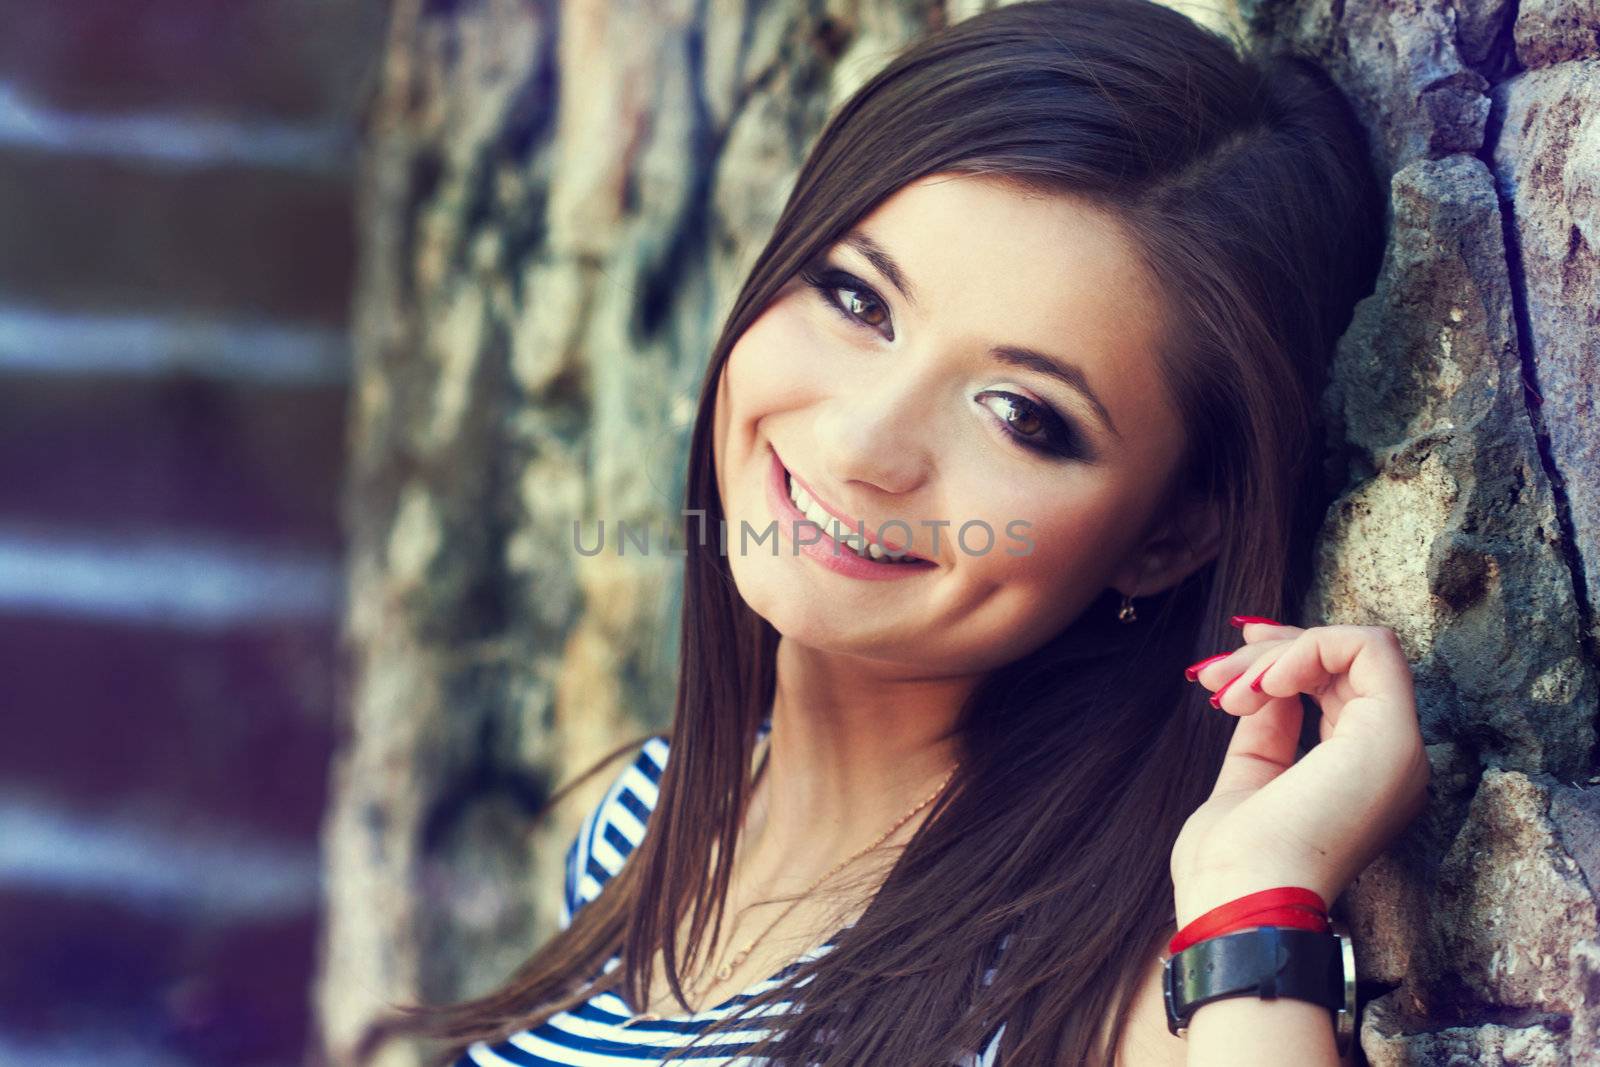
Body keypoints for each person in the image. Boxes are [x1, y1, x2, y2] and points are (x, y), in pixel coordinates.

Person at [352, 0, 1431, 1063]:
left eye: (1020, 413)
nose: (867, 441)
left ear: (1168, 537)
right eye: (858, 298)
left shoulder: (1117, 998)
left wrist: (1258, 894)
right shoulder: (645, 822)